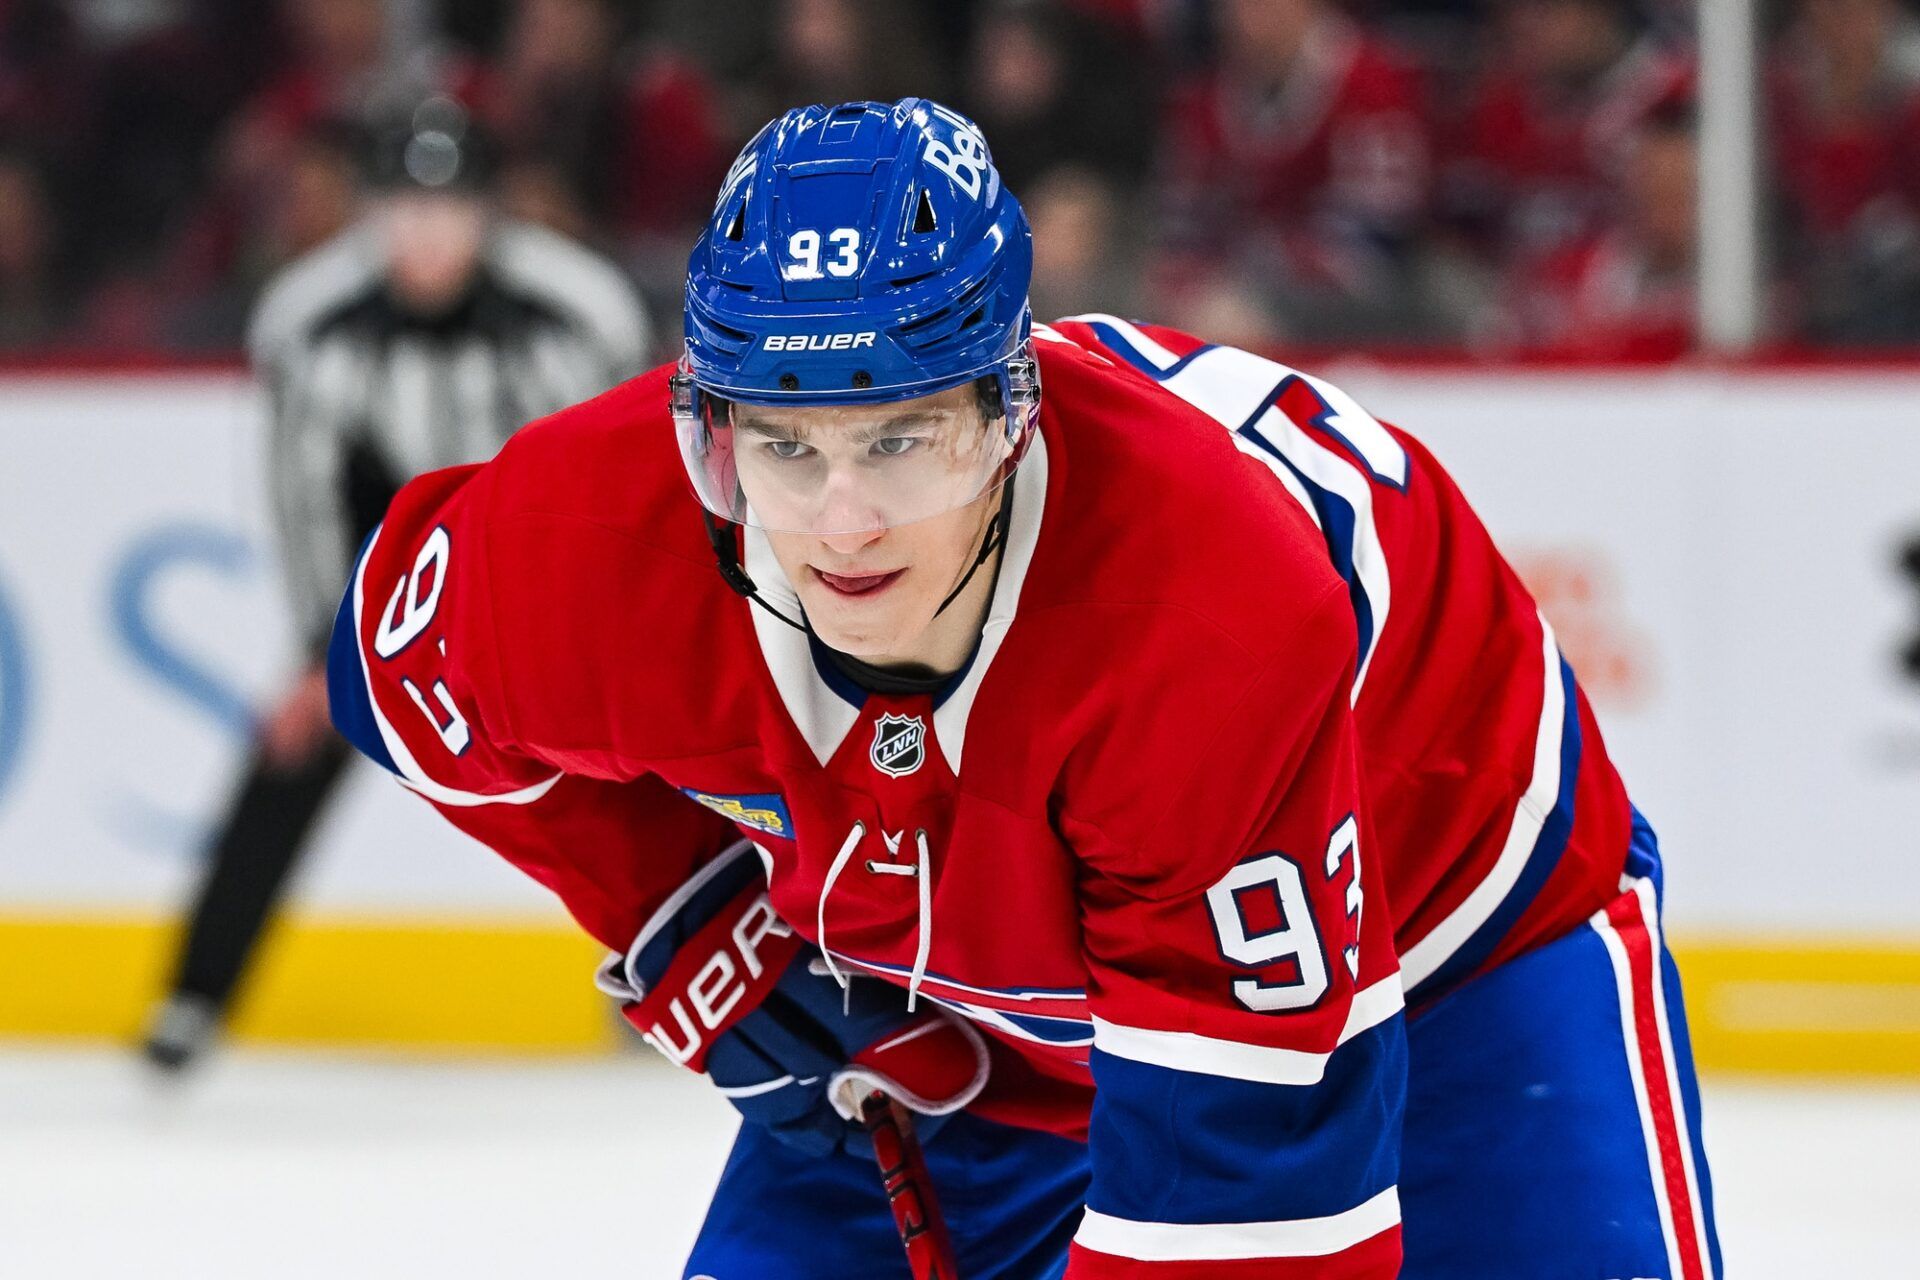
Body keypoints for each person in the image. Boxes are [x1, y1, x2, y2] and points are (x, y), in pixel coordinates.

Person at [330, 100, 1720, 1278]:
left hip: (1451, 937)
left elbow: (1250, 1214)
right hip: (957, 1019)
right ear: (706, 427)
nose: (843, 526)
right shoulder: (592, 538)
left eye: (904, 437)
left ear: (1011, 413)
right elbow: (394, 680)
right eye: (785, 447)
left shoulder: (1201, 621)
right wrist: (677, 907)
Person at [141, 100, 651, 1072]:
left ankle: (691, 976)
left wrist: (612, 637)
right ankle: (192, 998)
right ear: (367, 212)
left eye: (449, 208)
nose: (424, 233)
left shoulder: (578, 313)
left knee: (647, 761)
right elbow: (307, 495)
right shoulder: (313, 319)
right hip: (394, 585)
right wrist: (316, 652)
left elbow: (618, 484)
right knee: (289, 753)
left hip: (548, 572)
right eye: (402, 208)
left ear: (490, 213)